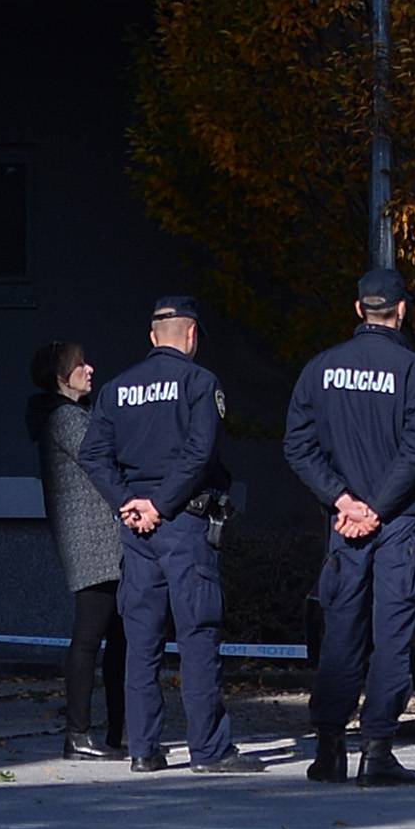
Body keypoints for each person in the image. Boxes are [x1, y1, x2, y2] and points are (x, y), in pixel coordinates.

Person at [80, 293, 261, 774]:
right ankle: (208, 750)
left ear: (153, 337)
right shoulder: (200, 383)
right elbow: (201, 454)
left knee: (141, 639)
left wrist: (128, 502)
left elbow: (93, 455)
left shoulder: (117, 389)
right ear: (193, 336)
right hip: (183, 522)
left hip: (135, 527)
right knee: (198, 632)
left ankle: (143, 749)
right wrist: (161, 504)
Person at [283, 266, 415, 785]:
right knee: (391, 634)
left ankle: (330, 750)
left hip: (345, 525)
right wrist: (376, 506)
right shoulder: (414, 371)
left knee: (341, 633)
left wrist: (343, 500)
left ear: (358, 310)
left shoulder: (322, 368)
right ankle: (377, 751)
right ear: (400, 311)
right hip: (397, 523)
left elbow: (297, 447)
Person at [25, 341, 126, 760]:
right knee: (90, 637)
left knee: (117, 638)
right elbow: (105, 458)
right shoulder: (66, 419)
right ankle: (79, 734)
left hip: (98, 540)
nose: (89, 368)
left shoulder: (67, 416)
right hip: (94, 542)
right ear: (59, 376)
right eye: (78, 365)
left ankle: (116, 731)